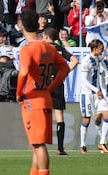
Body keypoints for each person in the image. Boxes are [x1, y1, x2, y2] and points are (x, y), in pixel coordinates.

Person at [14, 10, 70, 175]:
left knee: (38, 144)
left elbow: (23, 73)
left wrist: (18, 93)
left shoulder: (27, 49)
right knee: (35, 144)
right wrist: (52, 85)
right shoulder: (48, 47)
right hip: (44, 96)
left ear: (21, 25)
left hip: (32, 99)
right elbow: (65, 68)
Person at [42, 27, 79, 155]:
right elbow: (75, 60)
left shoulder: (43, 48)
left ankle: (40, 146)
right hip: (57, 84)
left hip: (45, 84)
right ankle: (60, 148)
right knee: (59, 116)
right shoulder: (59, 50)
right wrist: (64, 73)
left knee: (43, 114)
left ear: (46, 37)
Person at [79, 39, 105, 154]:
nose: (102, 50)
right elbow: (83, 80)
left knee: (99, 117)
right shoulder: (86, 61)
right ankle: (82, 145)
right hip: (87, 94)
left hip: (96, 94)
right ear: (95, 48)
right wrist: (96, 89)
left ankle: (102, 143)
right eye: (101, 48)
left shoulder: (97, 58)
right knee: (87, 119)